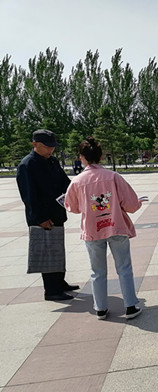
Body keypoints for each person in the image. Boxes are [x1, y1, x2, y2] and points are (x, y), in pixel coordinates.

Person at [64, 137, 146, 320]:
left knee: (97, 271)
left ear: (82, 157)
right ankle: (130, 306)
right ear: (101, 157)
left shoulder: (77, 181)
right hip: (116, 226)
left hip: (92, 230)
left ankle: (100, 308)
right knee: (124, 268)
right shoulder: (113, 177)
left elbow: (72, 207)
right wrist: (137, 203)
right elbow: (131, 205)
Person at [16, 129, 80, 301]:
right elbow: (29, 196)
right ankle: (51, 290)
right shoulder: (27, 165)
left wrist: (77, 192)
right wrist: (41, 218)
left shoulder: (52, 161)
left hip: (56, 213)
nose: (50, 150)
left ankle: (60, 282)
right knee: (47, 253)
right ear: (35, 144)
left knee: (57, 249)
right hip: (42, 217)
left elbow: (64, 183)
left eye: (52, 146)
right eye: (47, 146)